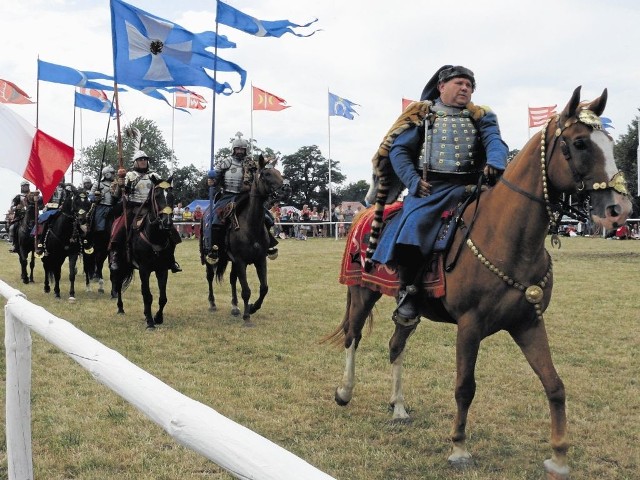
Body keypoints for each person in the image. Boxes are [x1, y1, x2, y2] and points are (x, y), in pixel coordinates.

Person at [371, 65, 508, 324]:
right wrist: (413, 182)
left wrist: (497, 161)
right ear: (442, 86)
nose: (465, 88)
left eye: (469, 85)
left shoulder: (481, 115)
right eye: (459, 83)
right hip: (430, 190)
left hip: (472, 187)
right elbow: (398, 151)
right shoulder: (423, 115)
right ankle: (409, 293)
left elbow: (495, 141)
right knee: (413, 227)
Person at [204, 132, 278, 263]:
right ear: (233, 149)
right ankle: (214, 248)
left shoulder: (252, 163)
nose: (239, 151)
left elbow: (261, 175)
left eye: (242, 149)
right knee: (215, 219)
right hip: (228, 195)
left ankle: (268, 243)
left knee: (266, 217)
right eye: (237, 149)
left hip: (248, 195)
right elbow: (217, 178)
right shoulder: (226, 162)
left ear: (246, 150)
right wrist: (212, 181)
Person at [108, 149, 182, 273]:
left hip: (151, 209)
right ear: (135, 162)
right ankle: (115, 255)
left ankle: (170, 259)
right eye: (140, 160)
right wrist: (121, 183)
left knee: (170, 229)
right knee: (119, 227)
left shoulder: (155, 176)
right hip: (134, 209)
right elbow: (117, 195)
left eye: (145, 159)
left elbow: (164, 190)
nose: (143, 161)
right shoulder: (129, 176)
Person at [35, 176, 71, 256]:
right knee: (45, 221)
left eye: (62, 178)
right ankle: (41, 243)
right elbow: (43, 198)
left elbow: (69, 200)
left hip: (63, 211)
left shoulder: (67, 189)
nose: (60, 180)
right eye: (59, 178)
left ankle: (76, 245)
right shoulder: (50, 188)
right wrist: (37, 198)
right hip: (51, 210)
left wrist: (65, 205)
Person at [8, 180, 41, 253]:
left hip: (32, 217)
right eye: (24, 186)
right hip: (20, 216)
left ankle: (40, 244)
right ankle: (14, 244)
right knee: (12, 227)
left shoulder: (33, 195)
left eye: (27, 186)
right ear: (21, 187)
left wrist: (37, 200)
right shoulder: (18, 196)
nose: (26, 187)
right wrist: (16, 207)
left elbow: (40, 204)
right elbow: (11, 207)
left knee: (41, 227)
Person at [90, 165, 116, 233]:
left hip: (112, 207)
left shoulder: (115, 184)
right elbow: (90, 196)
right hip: (101, 207)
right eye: (112, 173)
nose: (114, 174)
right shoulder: (98, 184)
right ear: (107, 174)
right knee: (99, 227)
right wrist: (96, 197)